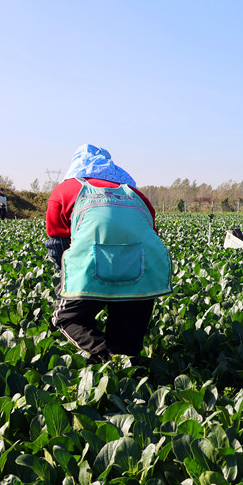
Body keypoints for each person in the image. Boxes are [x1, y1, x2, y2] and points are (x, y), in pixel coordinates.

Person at [45, 144, 172, 363]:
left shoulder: (65, 191)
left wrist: (68, 280)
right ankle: (124, 376)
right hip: (144, 271)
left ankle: (106, 359)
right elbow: (148, 233)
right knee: (126, 345)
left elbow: (58, 244)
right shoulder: (134, 193)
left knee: (66, 319)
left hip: (91, 267)